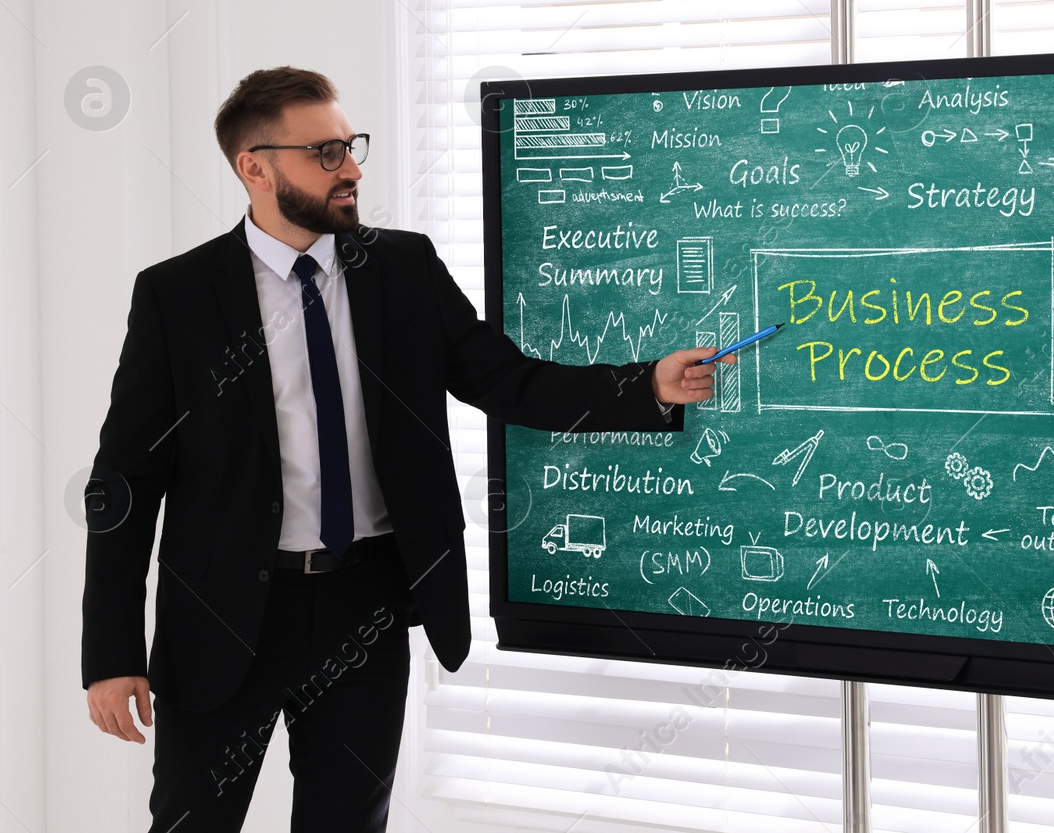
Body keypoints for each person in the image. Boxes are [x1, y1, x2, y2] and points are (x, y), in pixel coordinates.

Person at [80, 67, 732, 831]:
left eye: (350, 146)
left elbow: (507, 379)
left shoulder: (403, 267)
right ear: (254, 166)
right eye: (324, 152)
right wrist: (110, 649)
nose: (352, 167)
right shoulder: (177, 295)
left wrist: (645, 384)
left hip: (367, 607)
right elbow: (125, 478)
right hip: (226, 618)